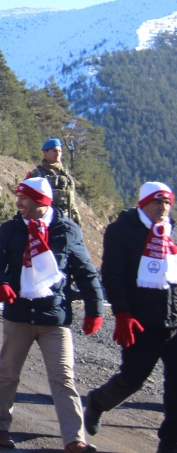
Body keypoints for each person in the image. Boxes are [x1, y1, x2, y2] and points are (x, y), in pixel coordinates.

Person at [0, 177, 103, 452]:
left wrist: (95, 310)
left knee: (63, 378)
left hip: (54, 317)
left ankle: (75, 439)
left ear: (40, 201)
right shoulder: (11, 229)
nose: (18, 202)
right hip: (19, 314)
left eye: (24, 198)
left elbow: (85, 271)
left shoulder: (66, 231)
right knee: (8, 373)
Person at [84, 182, 177, 453]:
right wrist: (122, 313)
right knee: (133, 379)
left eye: (167, 203)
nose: (163, 208)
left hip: (173, 322)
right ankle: (98, 402)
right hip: (140, 321)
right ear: (143, 203)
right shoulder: (121, 231)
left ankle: (170, 444)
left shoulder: (172, 232)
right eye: (157, 202)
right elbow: (113, 275)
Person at [29, 138, 80, 224]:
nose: (58, 154)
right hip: (45, 222)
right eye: (54, 151)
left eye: (60, 151)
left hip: (66, 221)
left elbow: (71, 201)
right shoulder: (36, 174)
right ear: (45, 153)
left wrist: (76, 221)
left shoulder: (66, 176)